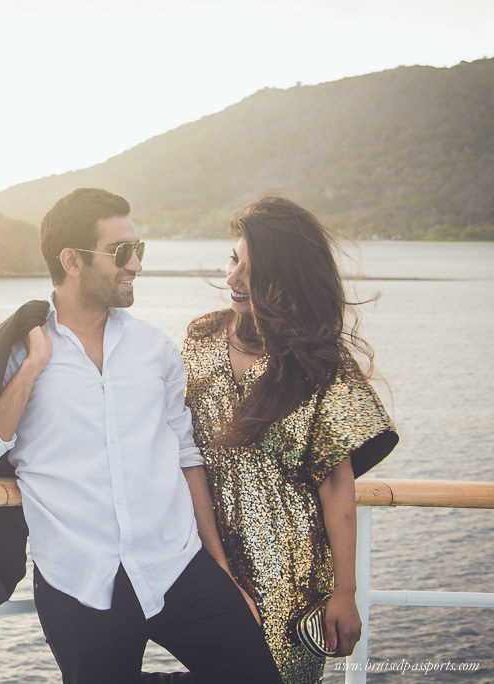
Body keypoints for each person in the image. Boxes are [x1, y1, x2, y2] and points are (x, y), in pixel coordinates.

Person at [0, 188, 282, 683]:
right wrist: (34, 366)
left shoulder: (154, 349)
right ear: (72, 261)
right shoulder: (18, 354)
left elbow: (187, 456)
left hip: (177, 565)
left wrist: (220, 567)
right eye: (123, 252)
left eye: (140, 250)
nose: (138, 264)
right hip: (79, 579)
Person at [181, 197, 398, 684]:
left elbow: (336, 484)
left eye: (253, 270)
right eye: (234, 259)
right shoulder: (201, 339)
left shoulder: (317, 363)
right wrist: (215, 567)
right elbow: (182, 450)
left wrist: (345, 592)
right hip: (210, 566)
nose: (234, 279)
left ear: (287, 280)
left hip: (294, 578)